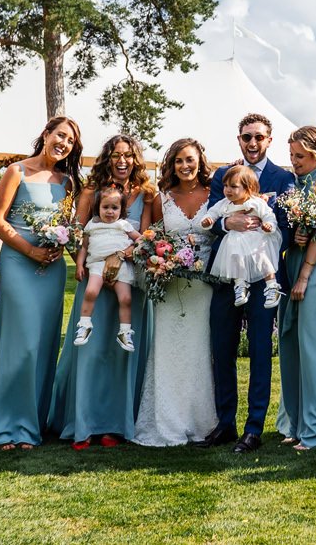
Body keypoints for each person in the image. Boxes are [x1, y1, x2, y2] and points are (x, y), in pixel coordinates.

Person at [0, 115, 80, 451]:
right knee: (20, 343)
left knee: (42, 345)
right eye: (60, 135)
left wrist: (69, 251)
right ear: (46, 134)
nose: (63, 143)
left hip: (52, 270)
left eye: (70, 141)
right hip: (19, 263)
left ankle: (30, 422)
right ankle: (4, 425)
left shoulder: (68, 182)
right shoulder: (16, 171)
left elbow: (67, 226)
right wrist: (31, 250)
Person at [50, 133, 160, 449]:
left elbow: (147, 238)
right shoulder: (90, 190)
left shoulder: (146, 194)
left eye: (128, 155)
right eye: (116, 155)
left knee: (121, 353)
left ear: (135, 159)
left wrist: (120, 258)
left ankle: (116, 424)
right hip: (95, 284)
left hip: (129, 281)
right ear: (107, 159)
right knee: (92, 351)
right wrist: (93, 265)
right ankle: (84, 423)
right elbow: (77, 234)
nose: (122, 161)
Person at [197, 114, 294, 454]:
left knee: (259, 351)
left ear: (269, 140)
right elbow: (212, 219)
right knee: (222, 348)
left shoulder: (283, 178)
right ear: (239, 139)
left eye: (259, 137)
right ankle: (225, 423)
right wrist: (228, 223)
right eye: (247, 137)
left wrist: (262, 238)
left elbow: (287, 225)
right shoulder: (223, 175)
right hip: (227, 274)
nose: (252, 143)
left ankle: (254, 428)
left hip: (263, 277)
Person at [133, 135, 219, 448]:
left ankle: (202, 422)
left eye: (190, 160)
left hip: (204, 286)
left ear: (200, 162)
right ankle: (166, 421)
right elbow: (149, 238)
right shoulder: (162, 199)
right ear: (172, 164)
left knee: (199, 351)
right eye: (179, 160)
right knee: (168, 350)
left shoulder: (214, 194)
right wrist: (161, 260)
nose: (185, 166)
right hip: (170, 286)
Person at [278, 124, 316, 451]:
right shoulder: (299, 183)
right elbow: (303, 227)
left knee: (315, 346)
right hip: (296, 259)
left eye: (300, 155)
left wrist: (304, 275)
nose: (294, 160)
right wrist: (297, 234)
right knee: (292, 342)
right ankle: (298, 422)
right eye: (291, 155)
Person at [199, 166, 283, 308]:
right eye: (226, 186)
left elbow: (268, 215)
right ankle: (240, 286)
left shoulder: (256, 202)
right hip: (235, 239)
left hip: (256, 239)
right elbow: (212, 212)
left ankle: (272, 286)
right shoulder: (224, 203)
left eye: (233, 186)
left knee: (263, 260)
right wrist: (208, 220)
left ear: (248, 188)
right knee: (235, 258)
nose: (228, 190)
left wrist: (268, 225)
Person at [72, 188, 140, 351]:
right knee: (90, 292)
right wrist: (79, 265)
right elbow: (84, 247)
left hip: (121, 264)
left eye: (114, 208)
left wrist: (131, 249)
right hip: (97, 263)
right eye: (105, 207)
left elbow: (139, 239)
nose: (110, 211)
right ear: (98, 207)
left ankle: (124, 332)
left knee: (125, 298)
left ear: (121, 210)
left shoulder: (123, 224)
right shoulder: (92, 225)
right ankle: (84, 325)